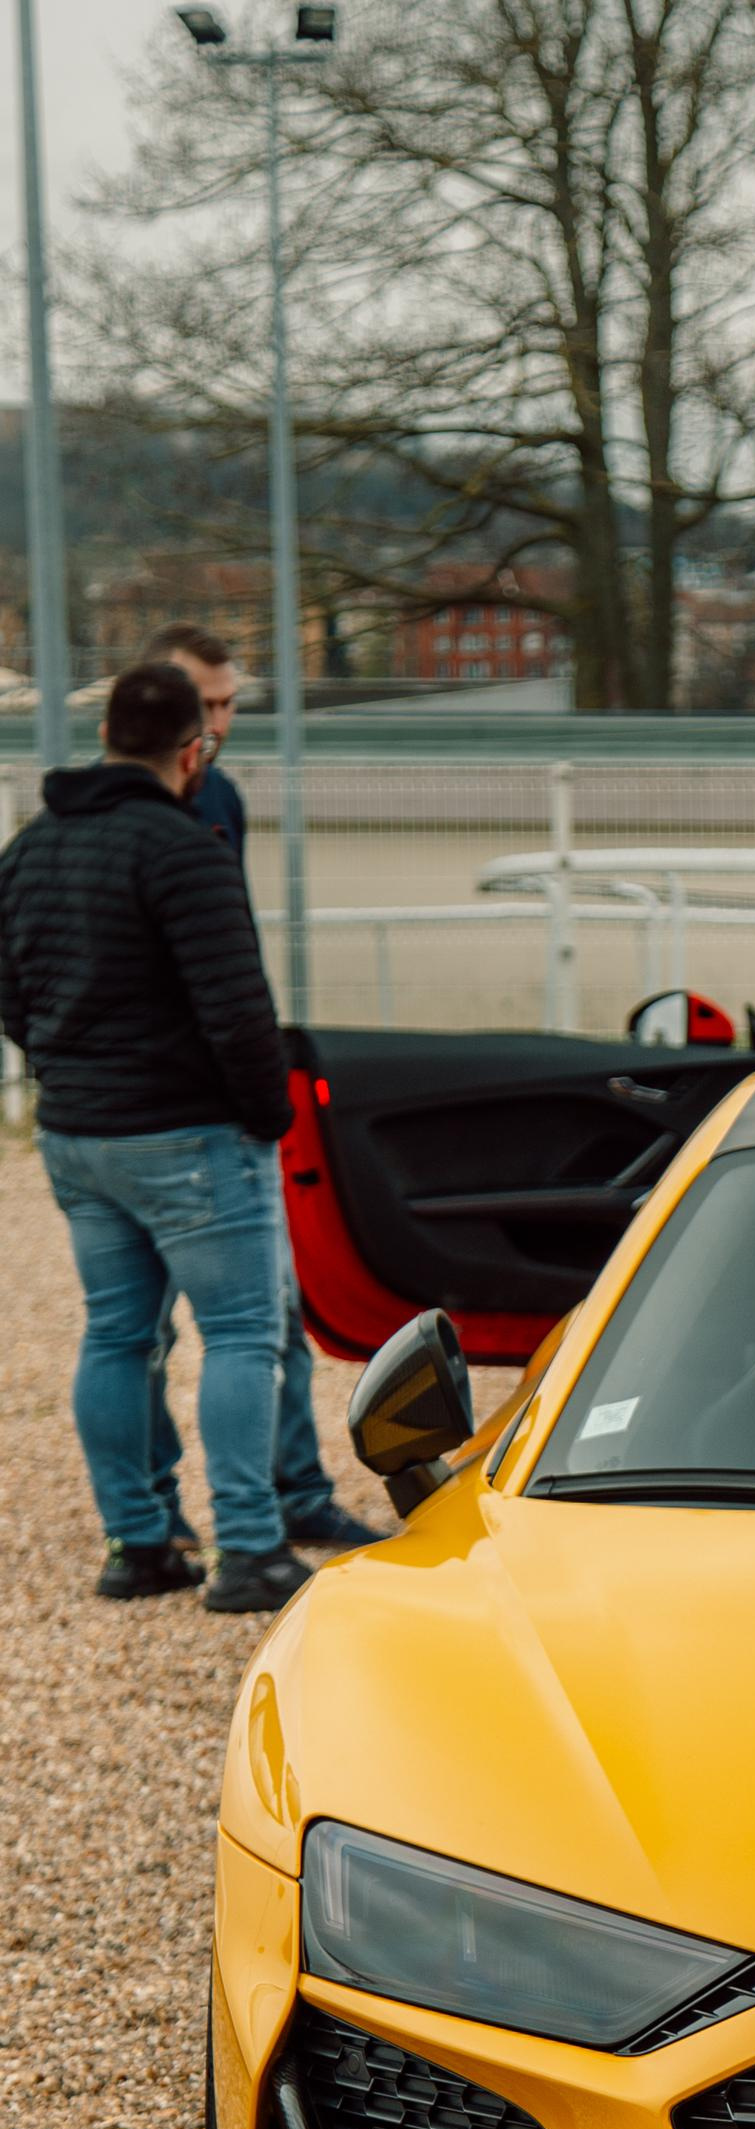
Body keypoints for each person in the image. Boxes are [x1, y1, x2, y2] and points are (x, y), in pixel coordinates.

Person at [0, 658, 308, 1612]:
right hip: (188, 1134)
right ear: (192, 750)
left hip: (79, 1135)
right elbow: (237, 1010)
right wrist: (267, 1117)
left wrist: (66, 1068)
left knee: (118, 1335)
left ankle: (140, 1544)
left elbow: (9, 992)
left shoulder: (32, 847)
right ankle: (251, 1549)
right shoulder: (183, 851)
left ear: (105, 741)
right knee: (243, 1335)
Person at [139, 620, 375, 1557]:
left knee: (198, 1323)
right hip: (184, 1111)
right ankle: (228, 1520)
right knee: (213, 1324)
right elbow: (210, 973)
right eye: (209, 706)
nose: (223, 724)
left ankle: (197, 1514)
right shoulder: (163, 811)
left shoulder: (211, 797)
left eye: (233, 705)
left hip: (162, 1108)